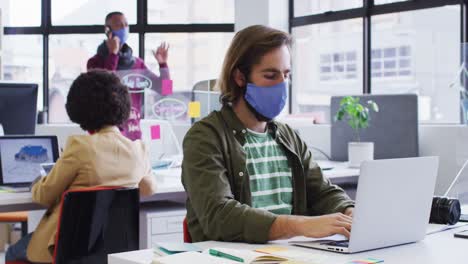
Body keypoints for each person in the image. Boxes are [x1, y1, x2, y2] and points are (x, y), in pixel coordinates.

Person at [181, 25, 354, 243]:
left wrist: (349, 213)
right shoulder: (205, 137)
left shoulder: (288, 136)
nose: (282, 85)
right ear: (240, 77)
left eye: (286, 75)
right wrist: (300, 225)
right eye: (271, 75)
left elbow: (322, 191)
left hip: (291, 256)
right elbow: (219, 216)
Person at [6, 70, 157, 263]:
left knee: (12, 253)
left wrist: (37, 182)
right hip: (109, 249)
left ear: (79, 108)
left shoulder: (80, 147)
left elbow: (43, 195)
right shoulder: (138, 149)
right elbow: (149, 188)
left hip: (64, 249)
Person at [87, 11, 171, 140]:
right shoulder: (94, 62)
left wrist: (163, 65)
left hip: (133, 136)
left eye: (126, 24)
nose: (124, 28)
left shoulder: (137, 64)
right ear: (107, 30)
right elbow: (106, 86)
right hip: (105, 136)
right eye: (118, 25)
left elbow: (166, 90)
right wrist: (113, 55)